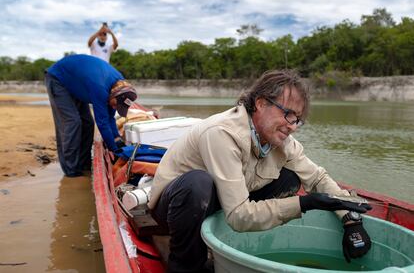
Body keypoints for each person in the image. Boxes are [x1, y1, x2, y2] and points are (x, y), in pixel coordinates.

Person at [148, 69, 372, 273]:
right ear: (261, 103)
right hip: (175, 209)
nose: (292, 126)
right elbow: (238, 215)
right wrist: (305, 203)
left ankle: (236, 244)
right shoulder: (222, 133)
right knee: (197, 184)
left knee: (290, 179)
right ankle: (186, 264)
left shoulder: (281, 140)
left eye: (297, 120)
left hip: (222, 203)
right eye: (288, 115)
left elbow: (317, 177)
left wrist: (351, 220)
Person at [44, 54, 137, 177]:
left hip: (77, 83)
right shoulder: (100, 88)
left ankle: (84, 163)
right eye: (116, 105)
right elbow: (103, 123)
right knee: (73, 122)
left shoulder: (119, 85)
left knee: (87, 123)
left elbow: (110, 118)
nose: (115, 108)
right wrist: (114, 151)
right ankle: (71, 169)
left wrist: (117, 139)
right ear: (114, 95)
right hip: (59, 79)